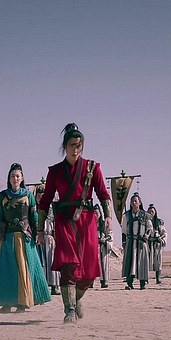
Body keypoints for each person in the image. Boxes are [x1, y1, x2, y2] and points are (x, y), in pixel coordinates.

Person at [37, 123, 112, 324]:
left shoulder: (92, 168)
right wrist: (40, 229)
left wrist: (108, 216)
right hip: (64, 221)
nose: (76, 149)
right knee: (68, 265)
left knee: (88, 270)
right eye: (72, 145)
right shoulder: (55, 171)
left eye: (79, 145)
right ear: (65, 146)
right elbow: (45, 201)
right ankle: (69, 310)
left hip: (86, 221)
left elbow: (103, 193)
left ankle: (77, 298)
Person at [0, 163, 51, 312]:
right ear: (9, 178)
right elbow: (0, 218)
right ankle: (7, 303)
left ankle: (23, 302)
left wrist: (37, 233)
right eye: (12, 176)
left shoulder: (28, 195)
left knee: (24, 269)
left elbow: (33, 216)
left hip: (24, 237)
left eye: (17, 176)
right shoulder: (3, 196)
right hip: (8, 236)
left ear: (22, 178)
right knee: (7, 269)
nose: (15, 178)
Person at [121, 193, 151, 290]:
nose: (134, 203)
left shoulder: (145, 215)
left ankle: (142, 283)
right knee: (130, 262)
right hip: (130, 242)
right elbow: (124, 230)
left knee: (142, 262)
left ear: (140, 202)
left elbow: (149, 228)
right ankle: (129, 283)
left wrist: (146, 236)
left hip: (141, 242)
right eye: (132, 201)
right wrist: (124, 242)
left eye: (135, 201)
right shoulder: (127, 215)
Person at [35, 185, 60, 295]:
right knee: (40, 263)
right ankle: (41, 287)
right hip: (36, 239)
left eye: (42, 196)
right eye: (38, 196)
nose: (40, 198)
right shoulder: (33, 209)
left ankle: (54, 286)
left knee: (51, 261)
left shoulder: (50, 208)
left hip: (49, 237)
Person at [147, 204, 167, 285]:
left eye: (152, 211)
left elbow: (164, 233)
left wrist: (161, 239)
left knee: (158, 262)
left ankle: (158, 278)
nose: (151, 213)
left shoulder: (159, 222)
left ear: (155, 212)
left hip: (157, 244)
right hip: (148, 244)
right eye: (149, 212)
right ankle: (145, 279)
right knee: (146, 261)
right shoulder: (145, 221)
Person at [96, 205, 112, 288]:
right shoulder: (89, 224)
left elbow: (110, 234)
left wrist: (105, 240)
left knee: (104, 264)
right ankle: (91, 282)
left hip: (102, 246)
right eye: (94, 213)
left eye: (97, 213)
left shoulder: (104, 223)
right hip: (93, 246)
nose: (95, 215)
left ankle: (104, 281)